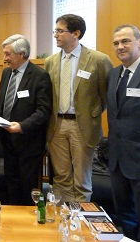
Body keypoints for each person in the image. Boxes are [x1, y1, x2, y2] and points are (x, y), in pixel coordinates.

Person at [44, 14, 113, 202]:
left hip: (82, 126)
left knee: (82, 180)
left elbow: (107, 95)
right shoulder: (50, 62)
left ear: (76, 33)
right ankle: (64, 221)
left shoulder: (98, 60)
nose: (55, 35)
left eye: (60, 30)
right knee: (61, 178)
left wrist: (92, 114)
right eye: (55, 30)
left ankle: (81, 224)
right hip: (56, 125)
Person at [0, 34, 52, 205]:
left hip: (29, 141)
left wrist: (22, 126)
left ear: (21, 54)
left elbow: (43, 111)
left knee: (28, 184)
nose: (5, 58)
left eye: (8, 54)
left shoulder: (39, 76)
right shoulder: (7, 73)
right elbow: (1, 101)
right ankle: (13, 214)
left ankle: (28, 221)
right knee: (11, 180)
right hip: (7, 139)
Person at [107, 24, 140, 241]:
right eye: (116, 43)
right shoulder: (113, 74)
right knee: (124, 214)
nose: (120, 47)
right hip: (117, 160)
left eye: (125, 41)